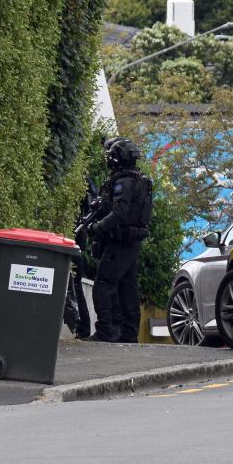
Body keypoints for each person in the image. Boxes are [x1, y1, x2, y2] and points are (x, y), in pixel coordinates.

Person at [84, 138, 152, 343]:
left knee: (103, 284)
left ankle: (106, 331)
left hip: (120, 241)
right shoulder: (140, 179)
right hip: (132, 242)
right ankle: (129, 334)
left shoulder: (123, 181)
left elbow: (119, 213)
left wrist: (97, 228)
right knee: (127, 287)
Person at [62, 177, 98, 339]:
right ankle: (81, 328)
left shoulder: (80, 181)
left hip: (73, 238)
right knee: (75, 286)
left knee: (75, 286)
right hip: (77, 239)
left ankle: (82, 328)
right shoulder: (86, 182)